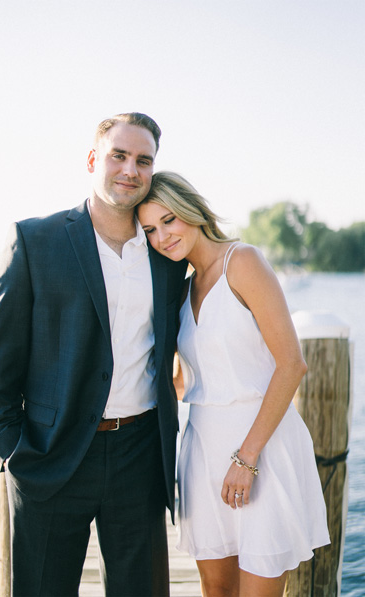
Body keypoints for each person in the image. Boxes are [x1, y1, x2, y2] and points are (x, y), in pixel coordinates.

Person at [0, 113, 188, 596]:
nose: (130, 170)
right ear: (94, 160)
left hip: (140, 454)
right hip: (50, 455)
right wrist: (13, 451)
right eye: (119, 155)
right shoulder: (35, 240)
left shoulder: (166, 252)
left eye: (143, 160)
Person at [137, 171, 330, 596]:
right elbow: (191, 382)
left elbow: (291, 365)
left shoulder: (242, 262)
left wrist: (246, 458)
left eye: (169, 220)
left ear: (193, 210)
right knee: (216, 590)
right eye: (150, 229)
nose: (162, 236)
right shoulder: (181, 290)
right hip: (202, 449)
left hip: (260, 447)